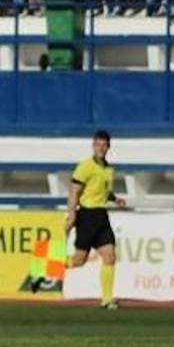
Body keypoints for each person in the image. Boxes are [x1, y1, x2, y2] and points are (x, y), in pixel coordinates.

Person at [65, 130, 124, 309]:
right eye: (98, 144)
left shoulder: (109, 169)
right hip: (87, 216)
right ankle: (47, 267)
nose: (101, 148)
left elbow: (104, 191)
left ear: (109, 147)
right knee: (79, 261)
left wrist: (115, 199)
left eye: (104, 145)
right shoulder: (85, 166)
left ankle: (106, 299)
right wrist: (72, 215)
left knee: (110, 256)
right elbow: (74, 192)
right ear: (93, 145)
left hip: (101, 216)